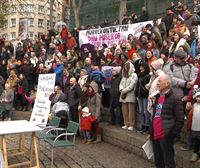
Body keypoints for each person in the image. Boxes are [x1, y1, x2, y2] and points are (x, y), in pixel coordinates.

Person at [148, 74, 184, 168]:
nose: (158, 83)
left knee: (169, 163)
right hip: (156, 135)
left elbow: (180, 119)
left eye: (160, 81)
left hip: (166, 136)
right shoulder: (158, 97)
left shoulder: (175, 98)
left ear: (167, 83)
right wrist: (151, 132)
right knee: (159, 163)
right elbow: (155, 116)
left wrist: (171, 134)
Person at [119, 61, 138, 131]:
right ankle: (126, 123)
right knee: (124, 110)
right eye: (125, 67)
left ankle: (131, 124)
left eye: (127, 67)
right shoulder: (124, 76)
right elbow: (120, 83)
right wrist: (121, 89)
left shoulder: (134, 75)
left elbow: (132, 85)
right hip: (123, 95)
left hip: (130, 94)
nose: (126, 69)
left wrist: (124, 90)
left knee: (131, 111)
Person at [188, 85, 200, 162]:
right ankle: (195, 153)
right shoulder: (194, 106)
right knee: (196, 141)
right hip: (195, 127)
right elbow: (190, 117)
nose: (199, 98)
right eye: (197, 96)